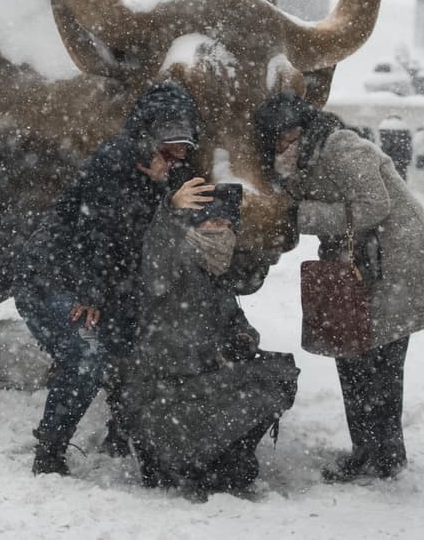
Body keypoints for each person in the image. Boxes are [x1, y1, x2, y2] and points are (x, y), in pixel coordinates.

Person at [255, 93, 424, 481]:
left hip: (396, 261)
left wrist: (303, 215)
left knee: (381, 360)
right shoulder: (303, 164)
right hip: (363, 265)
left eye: (289, 135)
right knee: (353, 355)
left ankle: (385, 455)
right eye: (278, 140)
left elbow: (374, 206)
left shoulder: (341, 146)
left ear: (304, 128)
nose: (284, 145)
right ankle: (369, 449)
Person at [13, 81, 213, 476]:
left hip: (110, 286)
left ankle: (122, 438)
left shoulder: (167, 175)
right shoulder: (113, 161)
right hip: (54, 280)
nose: (176, 156)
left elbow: (149, 244)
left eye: (183, 147)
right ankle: (49, 452)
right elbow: (100, 233)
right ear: (147, 135)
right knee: (85, 356)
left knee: (138, 352)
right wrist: (90, 294)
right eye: (169, 145)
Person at [119, 184, 299, 497]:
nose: (222, 232)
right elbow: (158, 247)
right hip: (161, 394)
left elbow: (237, 321)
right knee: (267, 381)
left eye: (228, 225)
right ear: (194, 223)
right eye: (214, 222)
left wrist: (243, 339)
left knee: (280, 374)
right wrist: (170, 210)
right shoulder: (173, 262)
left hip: (197, 387)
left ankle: (220, 458)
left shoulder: (213, 272)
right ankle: (172, 461)